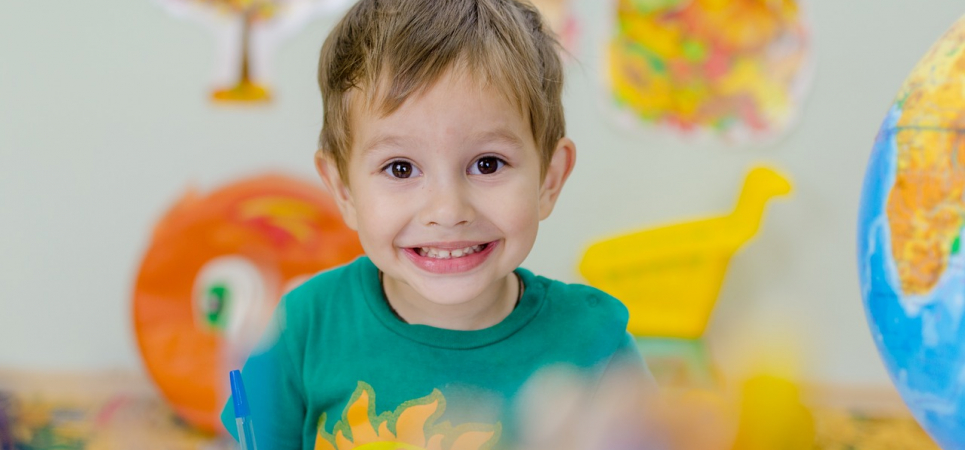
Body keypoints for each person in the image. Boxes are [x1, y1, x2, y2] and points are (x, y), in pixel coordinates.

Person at [220, 0, 649, 448]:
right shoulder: (304, 327)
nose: (447, 210)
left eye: (487, 163)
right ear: (343, 190)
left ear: (549, 179)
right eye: (401, 169)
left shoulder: (596, 344)